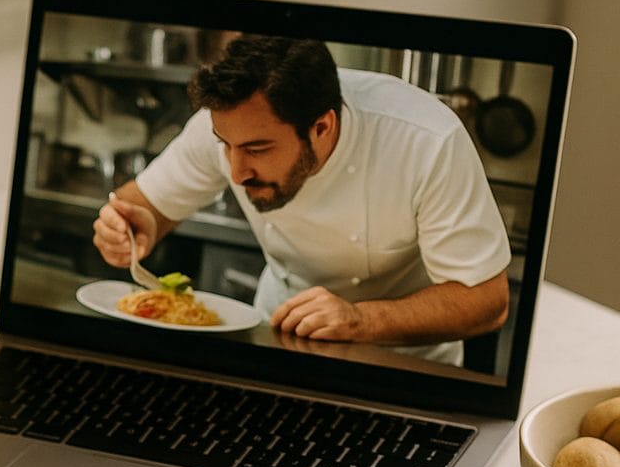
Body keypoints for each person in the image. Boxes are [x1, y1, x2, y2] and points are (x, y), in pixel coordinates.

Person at [92, 34, 511, 366]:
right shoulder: (230, 124)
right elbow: (144, 204)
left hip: (404, 363)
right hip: (275, 339)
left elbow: (486, 301)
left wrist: (361, 320)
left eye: (258, 150)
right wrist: (134, 225)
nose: (236, 172)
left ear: (322, 128)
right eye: (225, 146)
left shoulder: (426, 141)